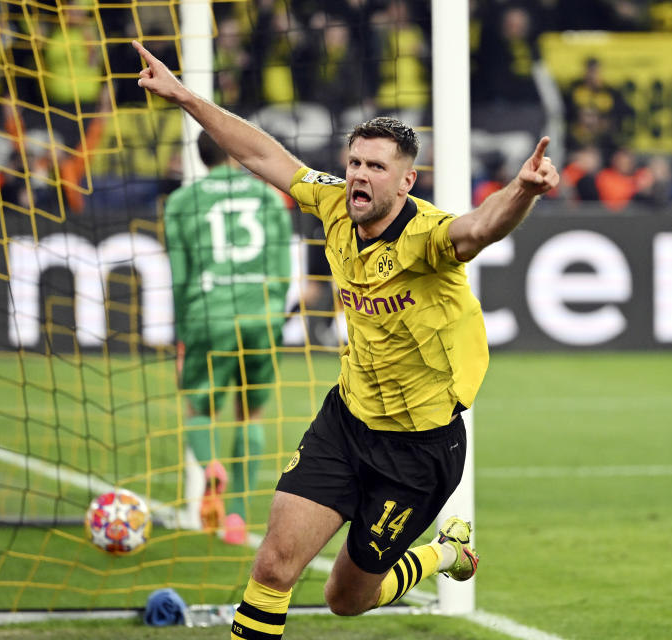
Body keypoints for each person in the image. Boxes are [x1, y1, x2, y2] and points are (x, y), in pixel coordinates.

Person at [133, 39, 559, 638]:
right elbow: (261, 153)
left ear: (407, 180)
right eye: (355, 161)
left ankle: (445, 552)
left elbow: (479, 228)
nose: (359, 174)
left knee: (346, 599)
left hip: (419, 449)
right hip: (347, 419)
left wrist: (522, 192)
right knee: (274, 564)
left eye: (376, 166)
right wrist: (185, 98)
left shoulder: (428, 237)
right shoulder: (335, 202)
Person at [164, 131, 293, 545]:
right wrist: (272, 316)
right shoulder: (270, 198)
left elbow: (181, 278)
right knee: (250, 413)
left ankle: (209, 469)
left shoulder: (182, 203)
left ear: (199, 158)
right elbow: (282, 271)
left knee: (199, 406)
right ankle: (236, 515)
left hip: (209, 315)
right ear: (236, 152)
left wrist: (184, 337)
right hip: (262, 317)